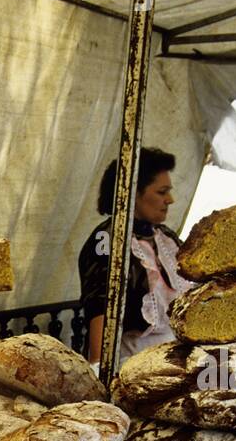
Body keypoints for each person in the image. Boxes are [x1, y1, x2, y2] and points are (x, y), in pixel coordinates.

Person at [78, 146, 193, 367]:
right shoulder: (107, 239)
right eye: (161, 192)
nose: (170, 199)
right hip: (133, 360)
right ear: (132, 192)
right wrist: (100, 366)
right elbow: (100, 307)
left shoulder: (166, 237)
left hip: (177, 352)